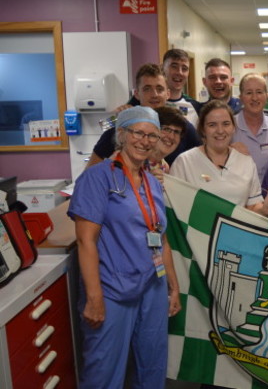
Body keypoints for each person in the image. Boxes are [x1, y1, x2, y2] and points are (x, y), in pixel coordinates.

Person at [68, 106, 181, 388]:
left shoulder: (151, 182)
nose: (145, 141)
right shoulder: (97, 178)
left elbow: (161, 236)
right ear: (121, 134)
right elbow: (86, 240)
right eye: (138, 133)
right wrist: (94, 298)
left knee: (152, 365)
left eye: (152, 136)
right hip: (112, 290)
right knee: (104, 371)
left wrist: (173, 286)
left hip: (152, 285)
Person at [169, 100, 268, 216]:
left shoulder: (246, 162)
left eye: (226, 124)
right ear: (202, 129)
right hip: (196, 233)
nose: (220, 131)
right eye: (212, 125)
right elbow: (174, 210)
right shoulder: (184, 163)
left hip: (237, 233)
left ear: (233, 128)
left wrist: (264, 210)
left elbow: (253, 206)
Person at [88, 63, 201, 167]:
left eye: (159, 89)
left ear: (168, 94)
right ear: (137, 94)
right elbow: (89, 175)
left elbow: (201, 164)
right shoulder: (120, 127)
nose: (154, 95)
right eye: (147, 89)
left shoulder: (181, 127)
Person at [232, 72, 268, 182]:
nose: (254, 98)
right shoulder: (230, 125)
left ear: (266, 96)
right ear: (241, 97)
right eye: (248, 93)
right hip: (238, 194)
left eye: (259, 92)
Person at [124, 49, 201, 126]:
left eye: (184, 68)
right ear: (162, 67)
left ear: (168, 94)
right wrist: (114, 116)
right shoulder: (137, 102)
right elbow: (114, 121)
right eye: (174, 66)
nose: (179, 72)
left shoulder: (196, 107)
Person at [147, 106, 187, 182]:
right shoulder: (135, 161)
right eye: (166, 129)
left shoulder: (164, 166)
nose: (171, 136)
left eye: (176, 132)